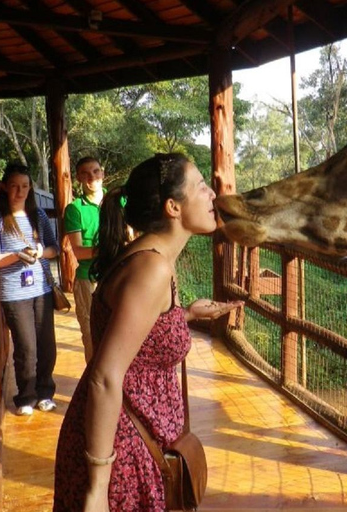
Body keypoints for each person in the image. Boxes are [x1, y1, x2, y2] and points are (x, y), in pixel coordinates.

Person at [53, 153, 243, 511]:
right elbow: (105, 376)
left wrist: (183, 315)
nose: (213, 196)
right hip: (123, 449)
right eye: (201, 186)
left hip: (133, 438)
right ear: (173, 207)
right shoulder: (151, 268)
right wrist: (98, 488)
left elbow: (136, 337)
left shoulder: (152, 259)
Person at [0, 163, 60, 416]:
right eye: (15, 186)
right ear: (5, 187)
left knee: (46, 345)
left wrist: (40, 252)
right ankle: (26, 396)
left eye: (25, 186)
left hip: (41, 290)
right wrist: (17, 256)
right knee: (26, 347)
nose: (20, 192)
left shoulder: (37, 216)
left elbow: (55, 248)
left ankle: (45, 392)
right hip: (14, 294)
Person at [65, 156, 106, 363]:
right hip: (88, 279)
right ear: (78, 178)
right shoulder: (74, 209)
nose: (92, 177)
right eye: (85, 173)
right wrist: (110, 248)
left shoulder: (118, 202)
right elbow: (79, 252)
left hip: (116, 275)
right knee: (91, 336)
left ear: (102, 173)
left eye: (95, 171)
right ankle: (92, 389)